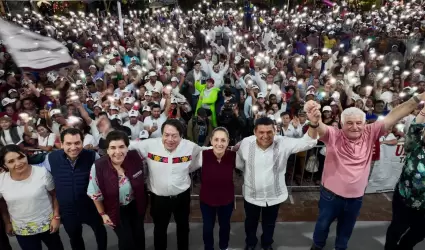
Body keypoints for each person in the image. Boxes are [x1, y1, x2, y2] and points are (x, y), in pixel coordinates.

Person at [307, 93, 425, 250]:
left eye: (358, 123)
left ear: (364, 123)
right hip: (330, 196)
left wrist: (418, 98)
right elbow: (320, 128)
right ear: (341, 124)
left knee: (346, 229)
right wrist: (314, 121)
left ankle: (340, 247)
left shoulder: (371, 131)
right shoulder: (334, 135)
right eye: (349, 123)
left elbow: (397, 113)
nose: (355, 127)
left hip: (356, 198)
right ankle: (317, 246)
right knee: (322, 225)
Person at [236, 111, 320, 250]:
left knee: (269, 224)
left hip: (274, 195)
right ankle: (250, 243)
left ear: (275, 130)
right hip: (251, 195)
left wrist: (313, 123)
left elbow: (308, 142)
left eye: (269, 132)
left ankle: (267, 243)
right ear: (254, 132)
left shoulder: (283, 142)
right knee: (250, 223)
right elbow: (239, 162)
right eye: (261, 132)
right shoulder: (246, 143)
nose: (265, 136)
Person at [129, 119, 203, 250]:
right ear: (161, 134)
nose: (170, 139)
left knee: (183, 228)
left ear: (181, 136)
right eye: (166, 135)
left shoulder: (190, 147)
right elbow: (128, 144)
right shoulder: (149, 145)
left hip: (182, 196)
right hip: (159, 198)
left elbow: (204, 153)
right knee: (159, 229)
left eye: (174, 136)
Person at [40, 128, 107, 250]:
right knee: (74, 237)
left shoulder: (92, 156)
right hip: (67, 209)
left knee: (100, 232)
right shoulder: (51, 158)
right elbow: (45, 179)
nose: (73, 147)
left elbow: (102, 178)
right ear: (61, 144)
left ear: (82, 142)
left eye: (77, 143)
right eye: (69, 143)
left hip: (91, 206)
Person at [88, 130, 147, 250]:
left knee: (139, 237)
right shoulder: (99, 166)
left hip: (135, 206)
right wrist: (103, 214)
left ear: (127, 147)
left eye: (121, 147)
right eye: (113, 148)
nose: (118, 152)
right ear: (107, 150)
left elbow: (144, 179)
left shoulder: (135, 158)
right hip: (115, 209)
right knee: (126, 242)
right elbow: (95, 193)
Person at [0, 145, 64, 250]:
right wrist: (7, 222)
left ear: (26, 155)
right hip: (22, 228)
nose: (18, 163)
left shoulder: (41, 172)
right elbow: (2, 203)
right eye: (11, 161)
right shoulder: (1, 180)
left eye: (20, 157)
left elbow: (55, 194)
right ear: (5, 164)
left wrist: (56, 216)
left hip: (47, 224)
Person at [384, 105, 425, 250]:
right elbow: (415, 127)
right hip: (404, 200)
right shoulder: (414, 146)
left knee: (419, 233)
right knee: (396, 229)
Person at [194, 127, 236, 250]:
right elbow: (189, 168)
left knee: (225, 226)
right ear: (211, 141)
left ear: (228, 142)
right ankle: (209, 247)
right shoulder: (203, 155)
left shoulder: (233, 156)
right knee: (207, 228)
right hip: (207, 200)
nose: (219, 143)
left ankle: (224, 246)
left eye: (223, 140)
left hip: (226, 200)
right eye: (216, 140)